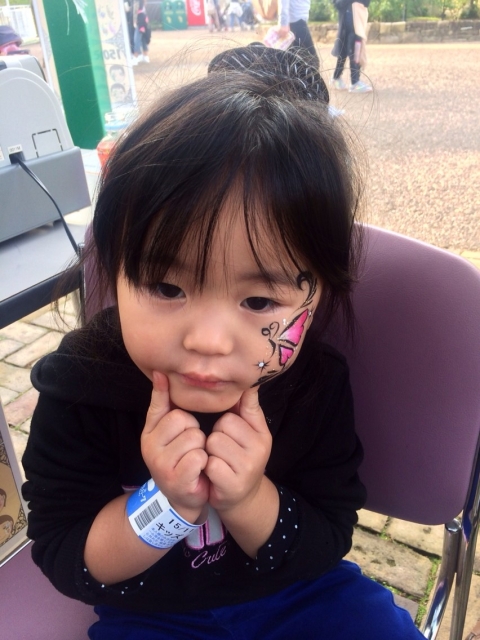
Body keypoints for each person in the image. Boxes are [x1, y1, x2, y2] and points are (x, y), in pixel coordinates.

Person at [22, 44, 424, 639]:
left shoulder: (316, 385)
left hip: (302, 595)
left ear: (318, 296)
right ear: (113, 267)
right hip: (151, 616)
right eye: (166, 287)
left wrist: (248, 499)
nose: (208, 341)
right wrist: (164, 507)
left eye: (258, 302)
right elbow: (64, 552)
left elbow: (329, 532)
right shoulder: (81, 385)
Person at [331, 0, 372, 93]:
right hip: (350, 16)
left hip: (352, 14)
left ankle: (337, 78)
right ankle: (355, 82)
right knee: (354, 48)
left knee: (346, 49)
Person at [277, 0, 319, 68]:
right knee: (312, 63)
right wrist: (283, 23)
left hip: (297, 22)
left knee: (293, 62)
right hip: (295, 23)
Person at [132, 0, 150, 66]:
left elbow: (135, 10)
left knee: (137, 39)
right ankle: (145, 56)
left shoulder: (137, 2)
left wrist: (134, 20)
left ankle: (135, 58)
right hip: (143, 19)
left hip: (140, 20)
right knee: (143, 39)